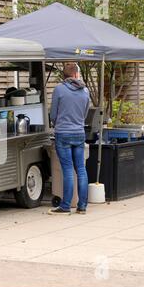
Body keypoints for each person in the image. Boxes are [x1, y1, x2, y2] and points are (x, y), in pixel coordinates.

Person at [48, 63, 90, 215]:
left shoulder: (59, 89)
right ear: (76, 74)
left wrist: (57, 122)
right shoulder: (85, 90)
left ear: (64, 76)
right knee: (81, 169)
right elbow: (85, 113)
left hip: (63, 134)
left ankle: (66, 206)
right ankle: (82, 206)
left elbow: (53, 113)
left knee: (67, 170)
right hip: (79, 133)